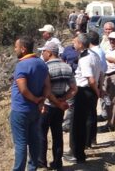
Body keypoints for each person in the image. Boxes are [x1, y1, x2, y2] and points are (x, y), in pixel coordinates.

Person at [10, 36, 51, 171]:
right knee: (34, 141)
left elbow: (23, 89)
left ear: (23, 48)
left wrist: (35, 99)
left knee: (21, 144)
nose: (15, 49)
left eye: (16, 47)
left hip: (20, 110)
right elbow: (47, 86)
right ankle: (32, 168)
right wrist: (41, 101)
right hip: (35, 111)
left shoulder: (22, 65)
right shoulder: (41, 63)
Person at [36, 42, 77, 170]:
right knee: (57, 134)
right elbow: (74, 89)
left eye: (43, 51)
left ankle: (42, 162)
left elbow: (46, 91)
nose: (42, 54)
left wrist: (56, 102)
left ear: (49, 52)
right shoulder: (67, 67)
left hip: (48, 106)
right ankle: (58, 163)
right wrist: (62, 100)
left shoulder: (44, 68)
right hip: (59, 108)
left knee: (42, 134)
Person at [64, 33, 101, 164]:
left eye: (74, 42)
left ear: (80, 43)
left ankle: (76, 154)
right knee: (84, 121)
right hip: (89, 92)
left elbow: (90, 79)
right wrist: (98, 89)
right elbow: (100, 74)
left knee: (77, 124)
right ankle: (80, 150)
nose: (73, 44)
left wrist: (97, 91)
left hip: (84, 92)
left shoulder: (85, 58)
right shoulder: (94, 55)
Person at [59, 39, 80, 132]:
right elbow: (62, 59)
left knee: (72, 103)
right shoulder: (67, 49)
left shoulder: (82, 51)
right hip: (68, 77)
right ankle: (64, 121)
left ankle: (67, 123)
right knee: (67, 100)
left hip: (79, 78)